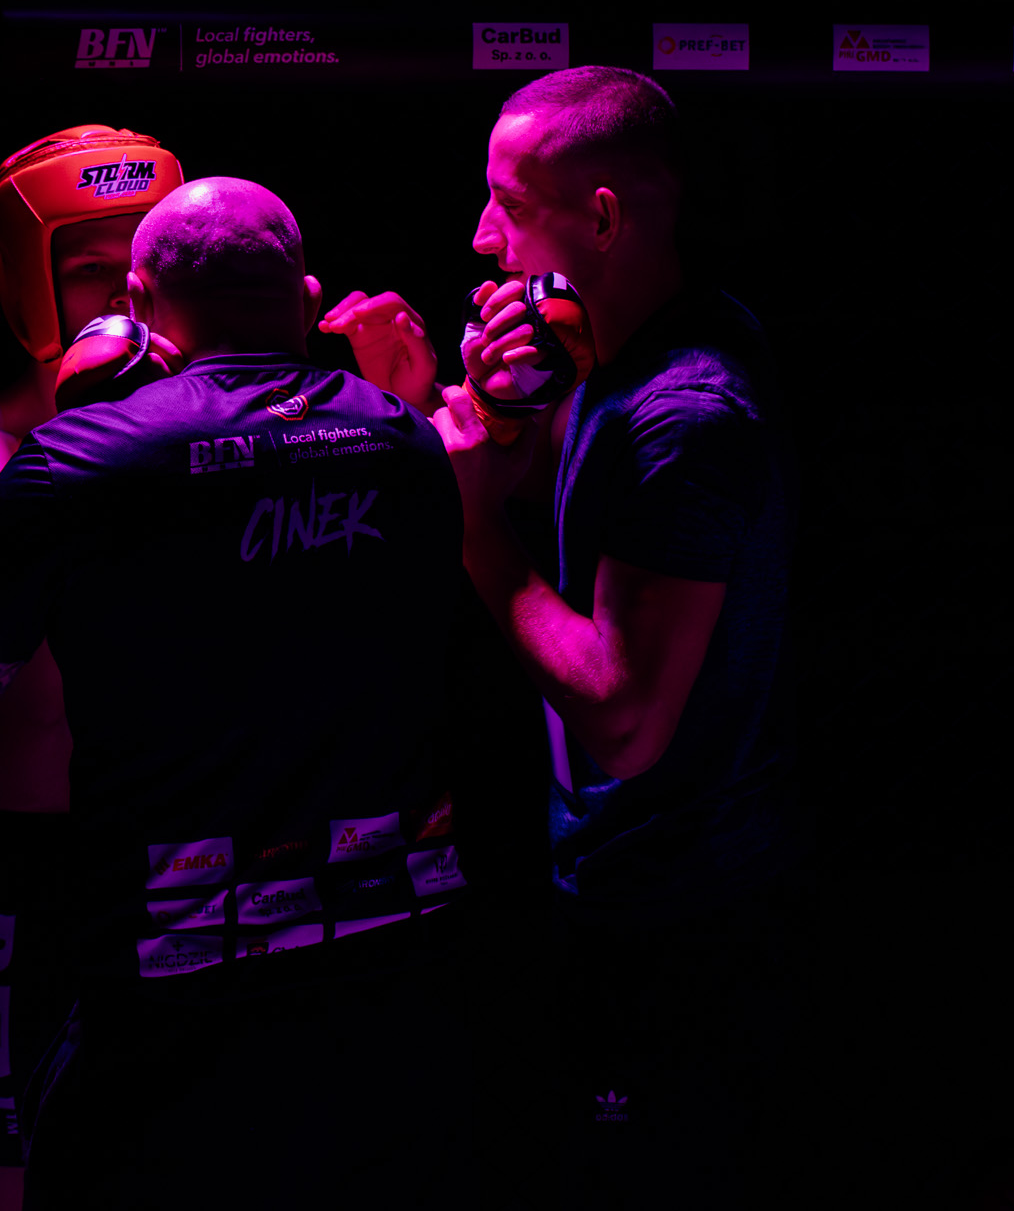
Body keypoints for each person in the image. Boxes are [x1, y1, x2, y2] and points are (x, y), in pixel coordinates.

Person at [0, 178, 478, 1207]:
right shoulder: (411, 442)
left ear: (140, 309)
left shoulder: (77, 463)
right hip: (385, 959)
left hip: (168, 982)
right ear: (305, 296)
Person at [333, 66, 807, 1208]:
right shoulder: (621, 347)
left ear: (599, 218)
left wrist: (473, 532)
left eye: (509, 203)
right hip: (623, 887)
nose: (480, 235)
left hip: (683, 917)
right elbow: (531, 481)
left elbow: (624, 717)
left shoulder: (683, 415)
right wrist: (479, 404)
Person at [0, 125, 184, 1211]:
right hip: (27, 867)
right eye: (90, 269)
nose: (125, 295)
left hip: (176, 854)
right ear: (30, 285)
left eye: (142, 264)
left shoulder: (214, 439)